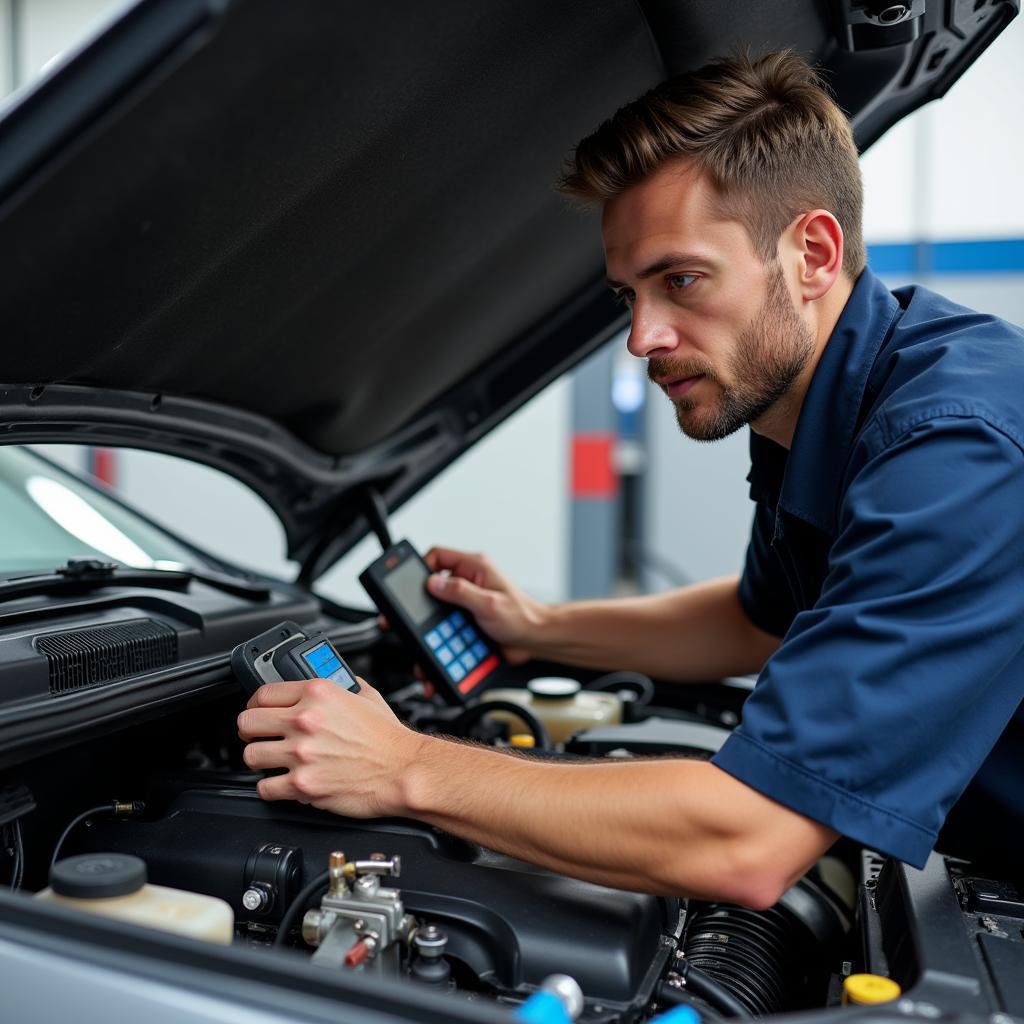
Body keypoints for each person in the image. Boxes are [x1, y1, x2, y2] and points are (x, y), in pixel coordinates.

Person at [237, 51, 1024, 905]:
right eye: (627, 297)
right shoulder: (824, 399)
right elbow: (756, 621)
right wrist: (538, 628)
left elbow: (749, 838)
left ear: (813, 254)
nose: (643, 337)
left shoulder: (955, 447)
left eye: (681, 280)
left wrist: (405, 767)